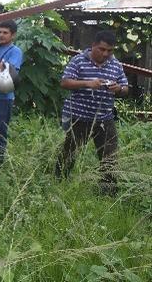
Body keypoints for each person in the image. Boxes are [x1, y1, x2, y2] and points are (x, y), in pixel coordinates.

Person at [55, 30, 128, 196]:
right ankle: (59, 183)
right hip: (79, 116)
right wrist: (87, 83)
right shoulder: (78, 60)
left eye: (110, 51)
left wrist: (119, 89)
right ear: (93, 45)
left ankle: (107, 192)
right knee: (69, 152)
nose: (105, 53)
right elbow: (65, 82)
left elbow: (125, 88)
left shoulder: (116, 65)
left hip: (104, 118)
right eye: (102, 49)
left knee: (110, 155)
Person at [0, 20, 23, 167]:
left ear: (13, 35)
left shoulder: (15, 51)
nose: (1, 35)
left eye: (5, 33)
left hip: (3, 97)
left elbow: (7, 71)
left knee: (0, 130)